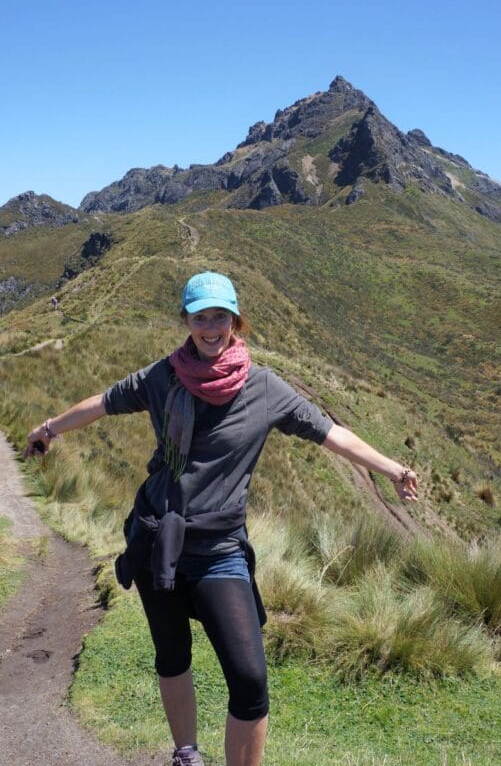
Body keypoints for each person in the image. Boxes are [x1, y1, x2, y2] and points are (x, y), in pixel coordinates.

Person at [25, 271, 418, 766]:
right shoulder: (162, 377)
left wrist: (392, 469)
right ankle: (186, 754)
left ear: (236, 320)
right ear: (186, 321)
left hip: (219, 552)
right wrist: (48, 430)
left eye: (220, 317)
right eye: (200, 317)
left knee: (250, 681)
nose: (211, 327)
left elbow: (329, 432)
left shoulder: (265, 389)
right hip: (157, 539)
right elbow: (103, 403)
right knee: (172, 655)